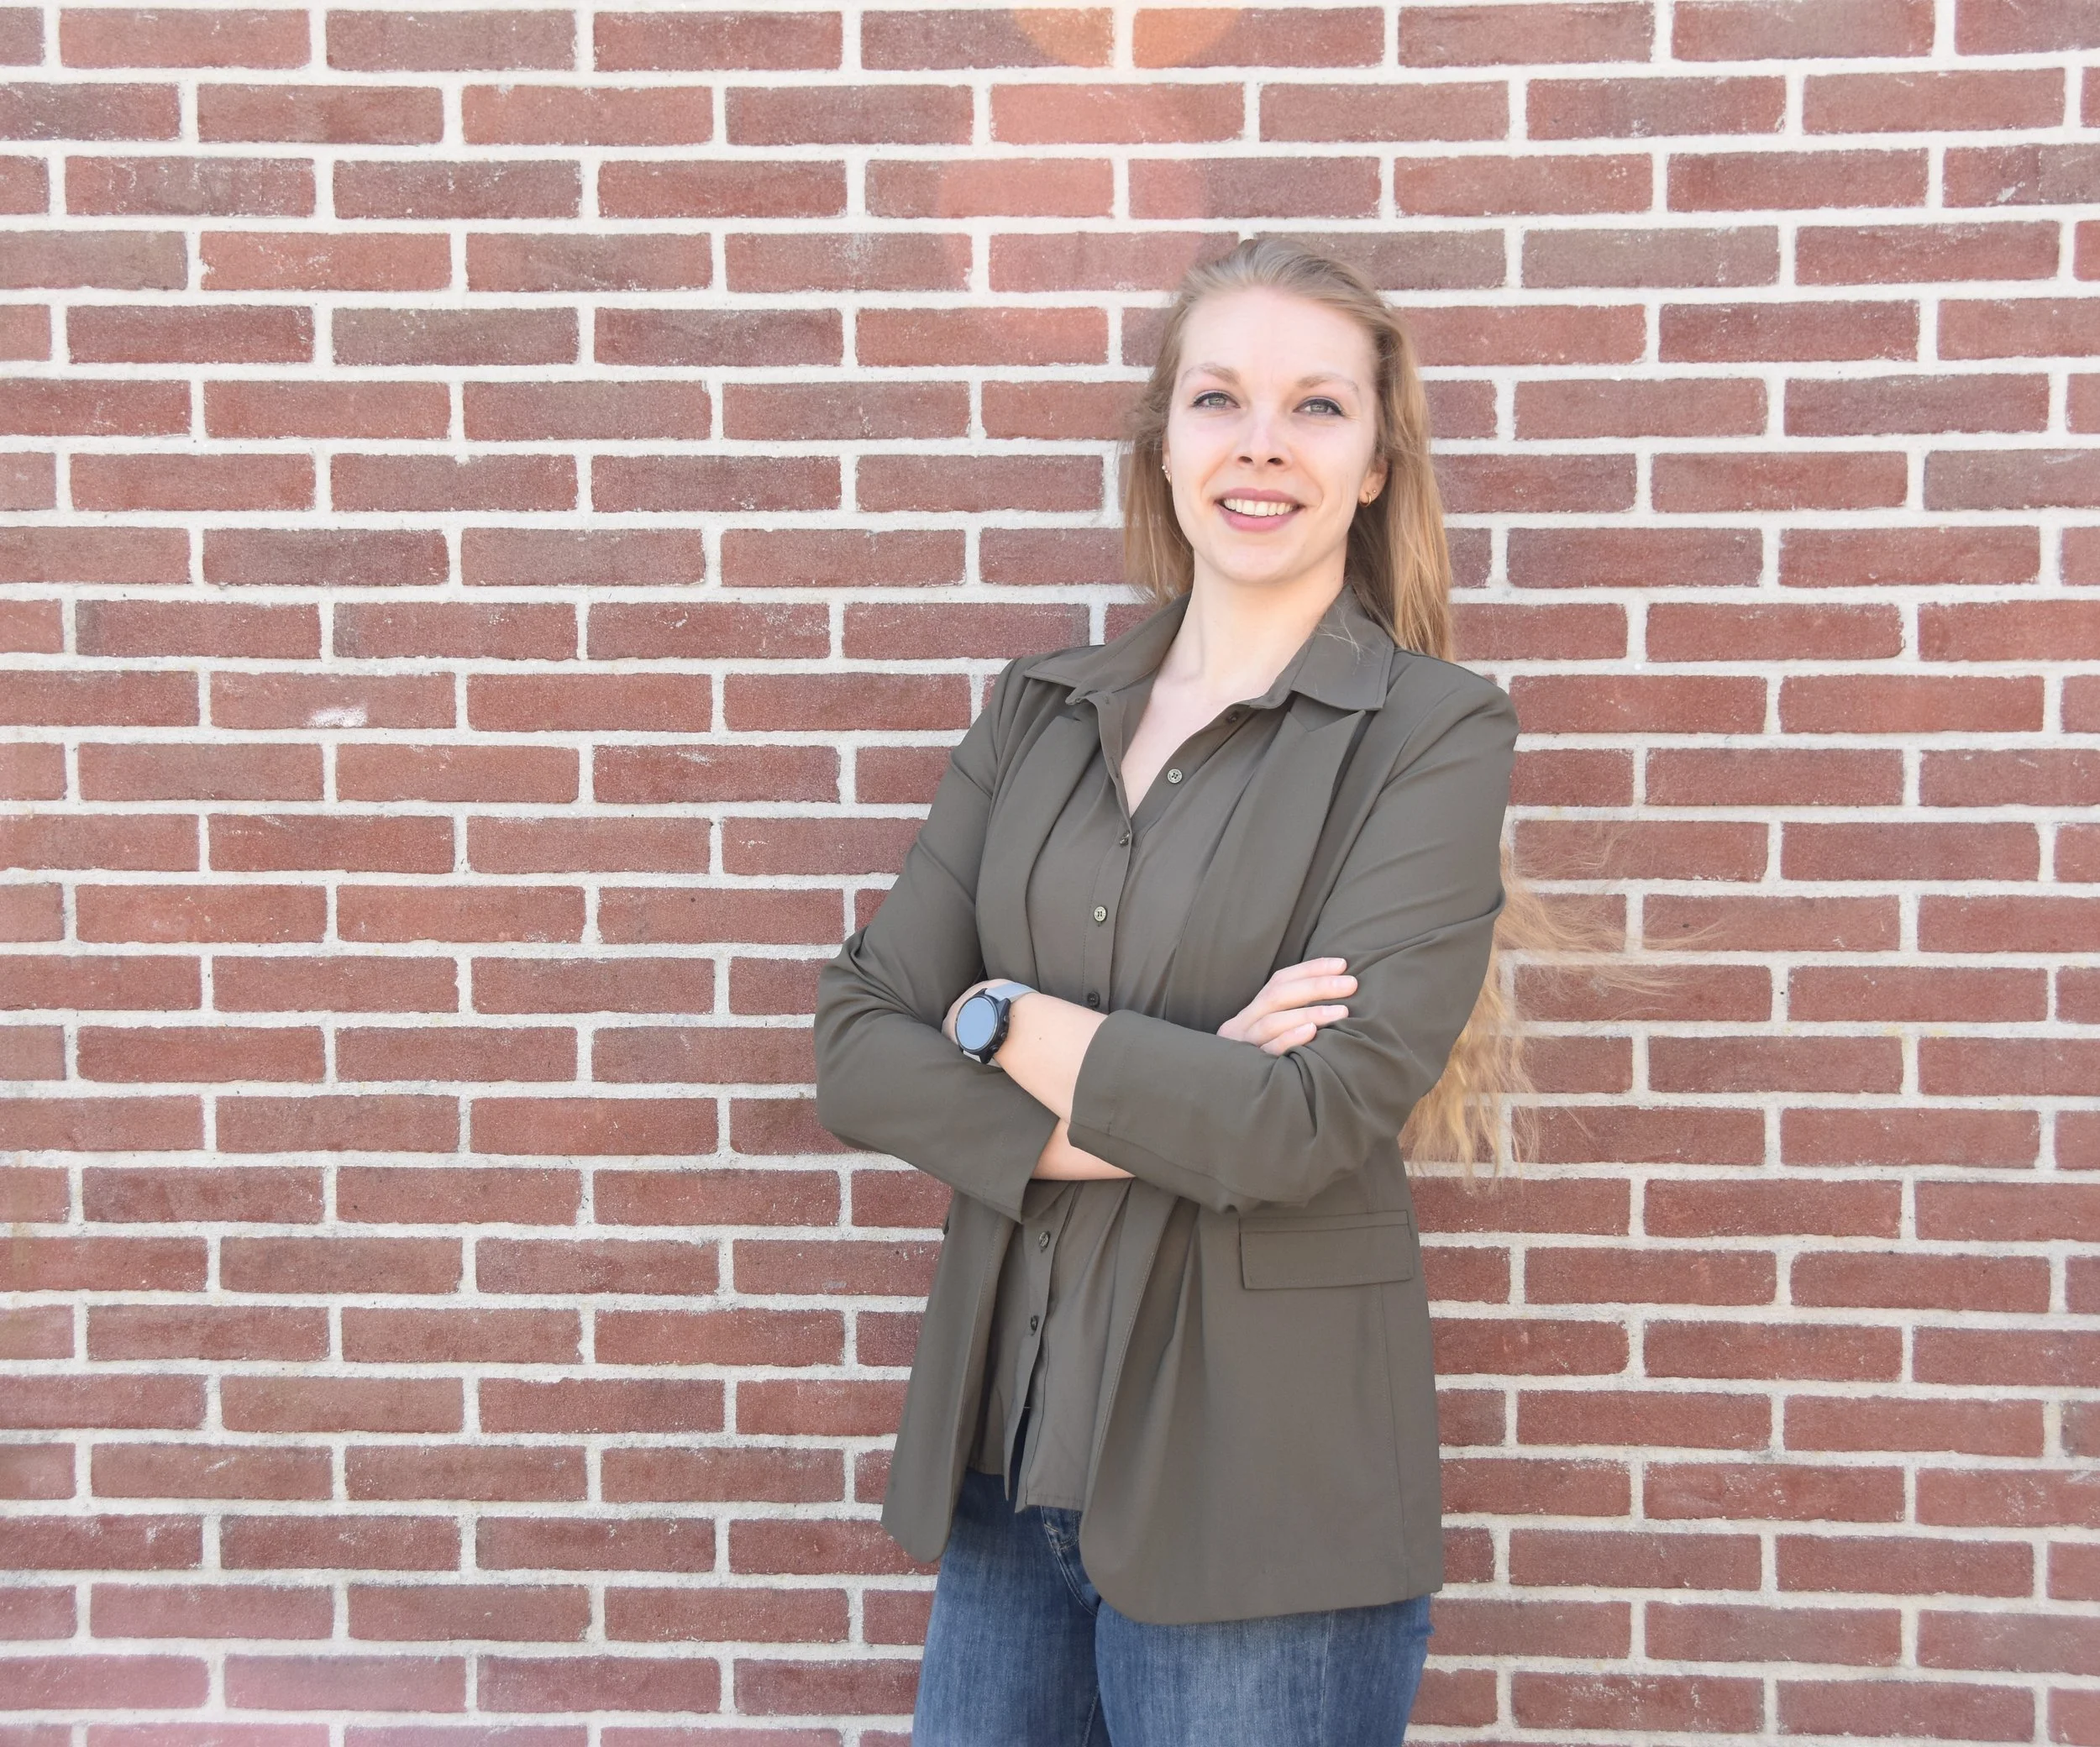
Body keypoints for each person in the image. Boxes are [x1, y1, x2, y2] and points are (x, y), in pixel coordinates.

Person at [812, 237, 1527, 1746]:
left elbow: (1303, 1125)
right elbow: (858, 1043)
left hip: (1265, 1496)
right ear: (1165, 443)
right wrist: (1168, 1089)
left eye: (1317, 407)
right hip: (1013, 1466)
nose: (1261, 443)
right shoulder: (1041, 711)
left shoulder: (1431, 734)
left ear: (1380, 463)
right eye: (1219, 398)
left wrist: (1014, 1024)